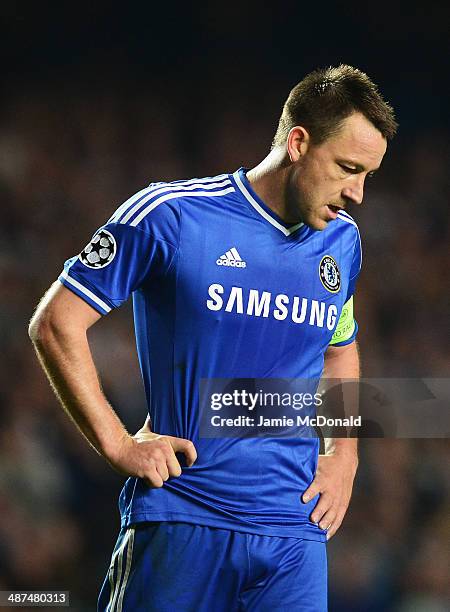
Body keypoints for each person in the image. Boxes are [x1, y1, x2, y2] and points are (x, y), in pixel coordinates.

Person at [29, 64, 397, 611]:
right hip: (185, 518)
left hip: (292, 535)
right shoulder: (172, 215)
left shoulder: (342, 244)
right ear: (298, 142)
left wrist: (344, 455)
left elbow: (340, 349)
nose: (358, 193)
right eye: (348, 168)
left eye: (368, 175)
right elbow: (56, 323)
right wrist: (117, 443)